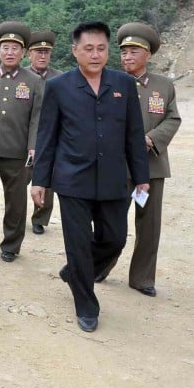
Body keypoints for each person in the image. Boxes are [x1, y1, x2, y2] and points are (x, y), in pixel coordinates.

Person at [30, 21, 149, 333]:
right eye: (88, 49)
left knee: (115, 239)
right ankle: (86, 305)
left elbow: (134, 134)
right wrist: (39, 180)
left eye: (101, 49)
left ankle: (76, 273)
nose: (95, 55)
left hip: (113, 179)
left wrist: (141, 176)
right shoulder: (59, 87)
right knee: (79, 244)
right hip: (72, 180)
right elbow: (47, 136)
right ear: (75, 51)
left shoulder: (123, 84)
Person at [97, 22, 181, 297]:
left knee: (149, 225)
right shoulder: (109, 82)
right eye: (124, 52)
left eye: (134, 52)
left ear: (147, 54)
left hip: (152, 164)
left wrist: (151, 139)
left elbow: (173, 118)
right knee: (111, 221)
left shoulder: (163, 86)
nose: (127, 57)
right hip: (118, 164)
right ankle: (100, 266)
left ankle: (142, 277)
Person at [0, 21, 45, 262]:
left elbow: (37, 118)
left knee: (15, 201)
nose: (10, 52)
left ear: (23, 53)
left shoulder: (33, 82)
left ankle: (11, 245)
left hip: (17, 151)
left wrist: (34, 146)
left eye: (15, 48)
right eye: (5, 48)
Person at [25, 29, 62, 235]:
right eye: (38, 51)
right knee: (18, 180)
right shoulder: (21, 76)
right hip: (23, 137)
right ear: (29, 54)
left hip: (51, 137)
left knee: (48, 180)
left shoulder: (60, 78)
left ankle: (40, 217)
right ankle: (15, 216)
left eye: (46, 52)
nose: (42, 55)